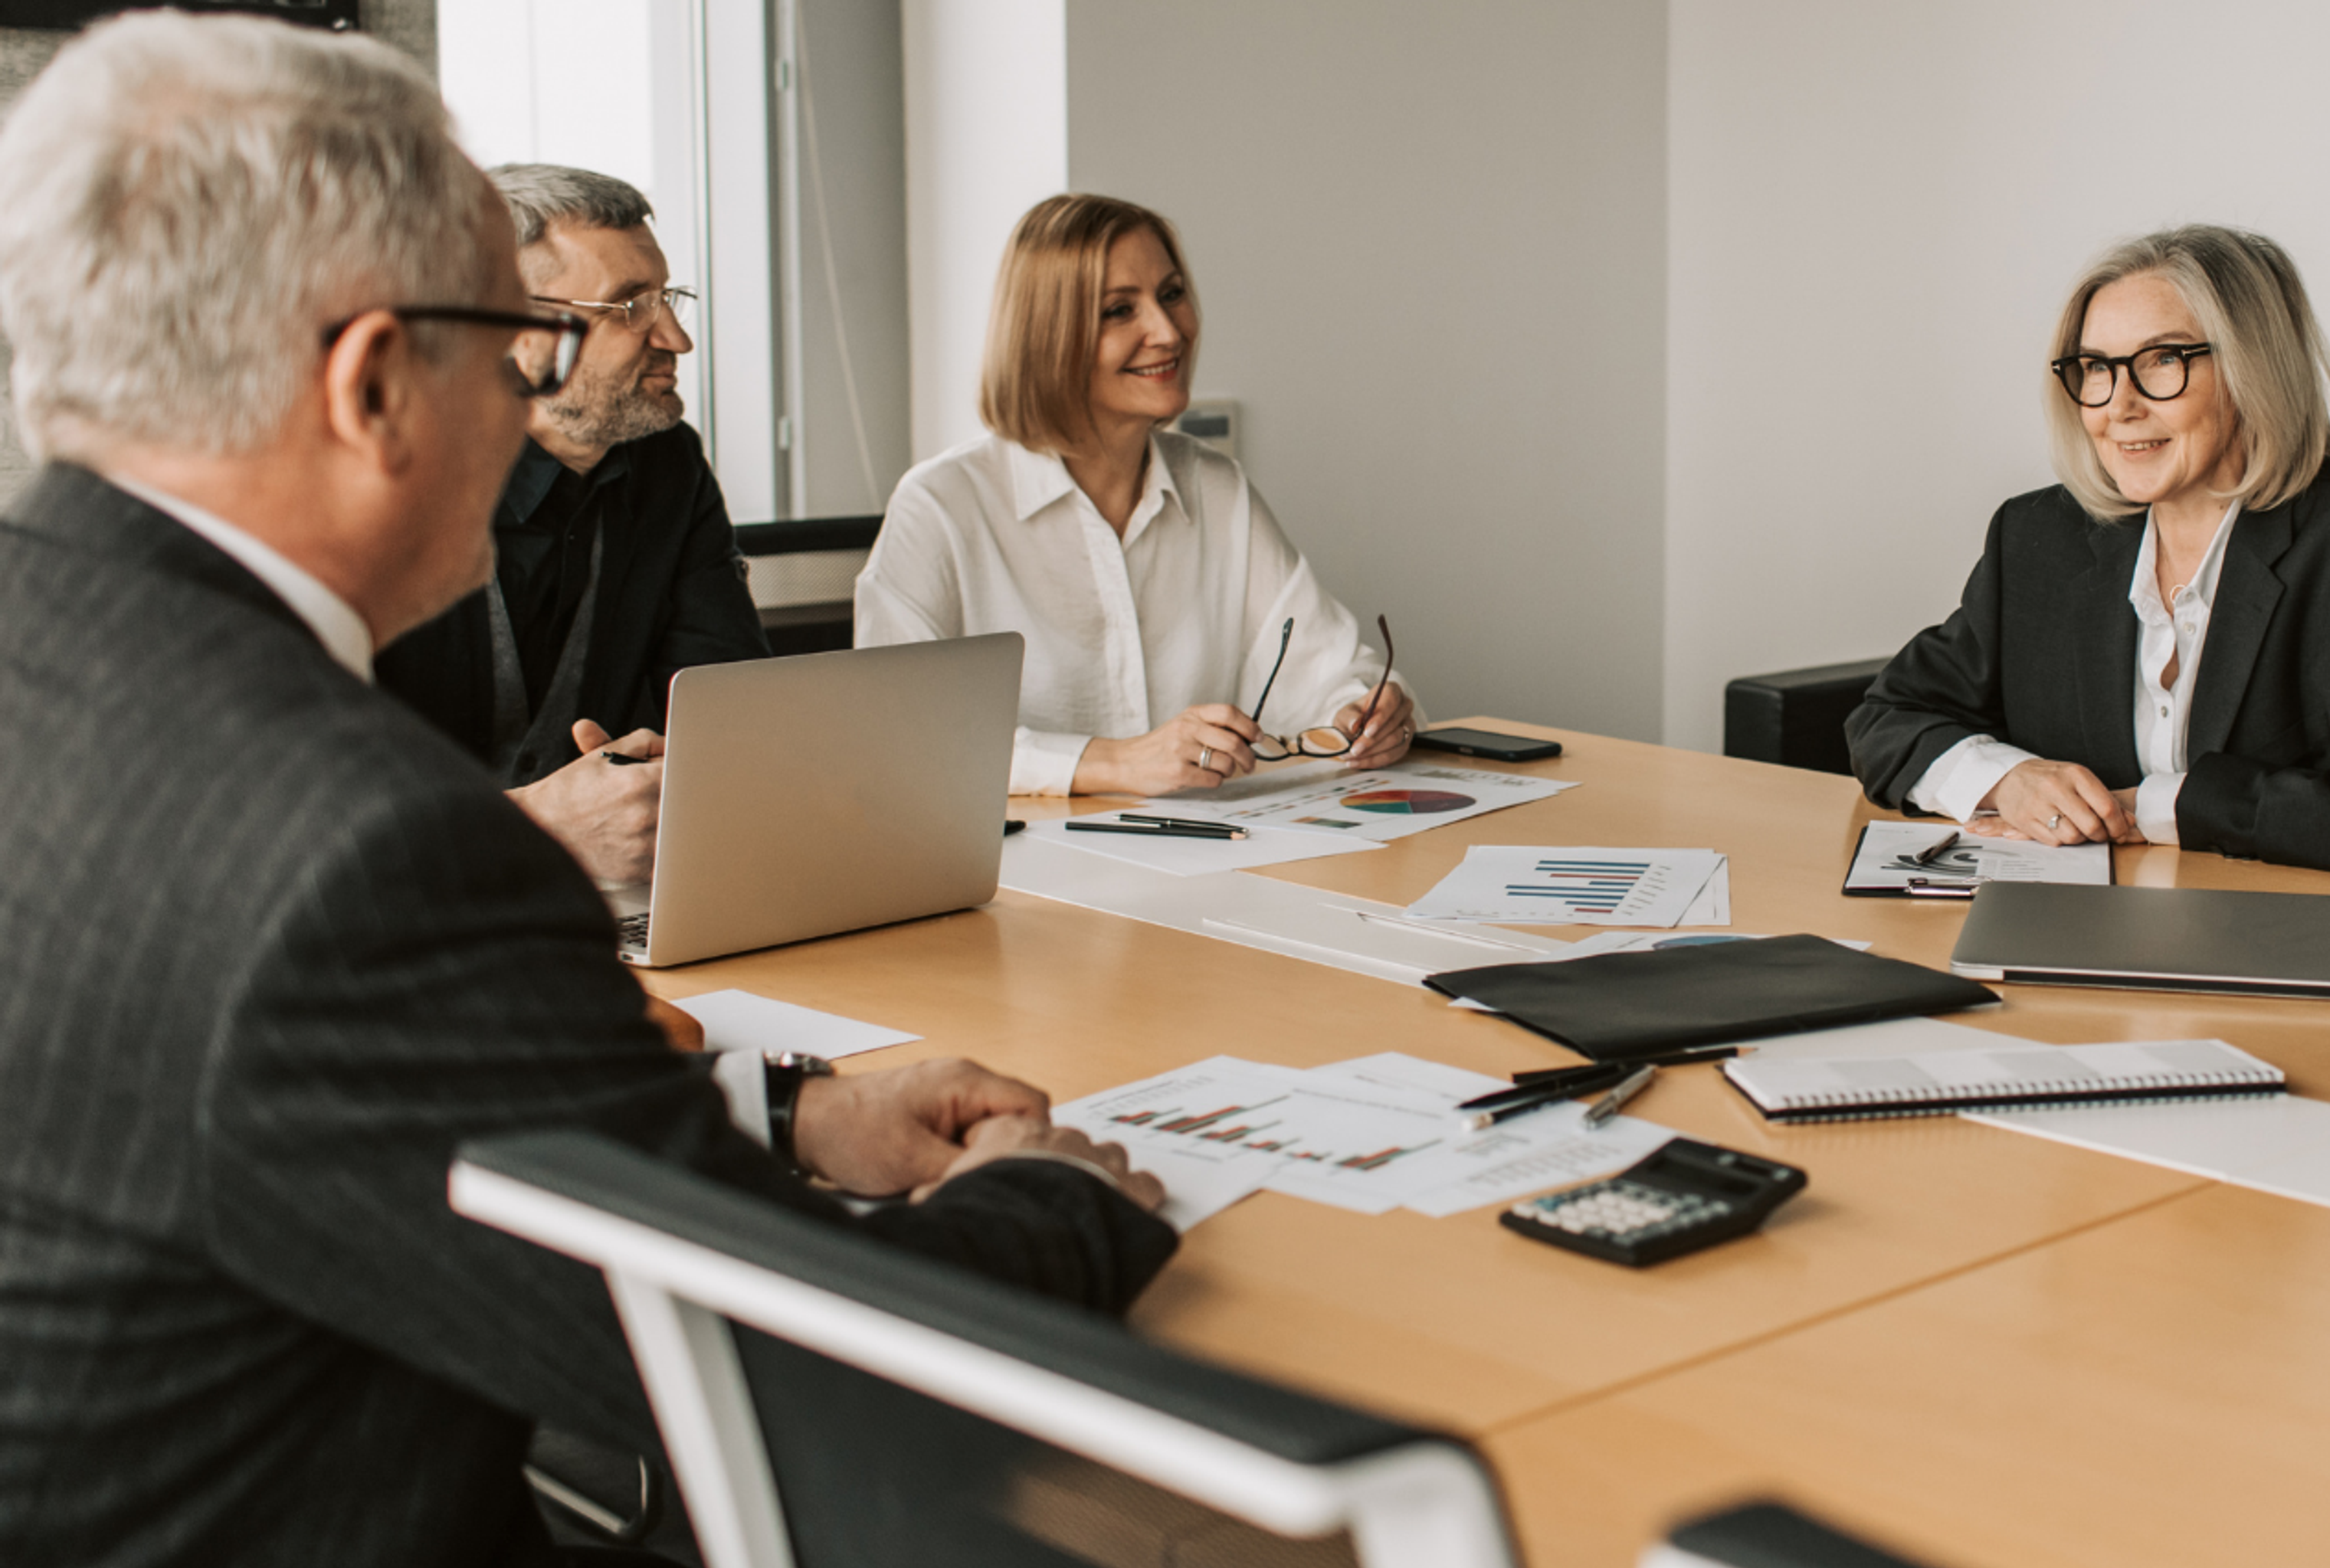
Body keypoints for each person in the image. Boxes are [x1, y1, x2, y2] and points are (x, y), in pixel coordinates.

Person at [0, 17, 1168, 1566]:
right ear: (370, 389)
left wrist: (789, 1108)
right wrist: (1054, 1197)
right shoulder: (365, 850)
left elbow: (327, 1114)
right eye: (516, 356)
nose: (528, 413)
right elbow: (798, 1363)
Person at [1847, 225, 2330, 877]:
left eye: (2162, 361)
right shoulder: (2038, 538)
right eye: (2096, 368)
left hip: (2273, 937)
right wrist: (2008, 780)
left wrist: (2156, 808)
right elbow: (1887, 717)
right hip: (2078, 931)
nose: (2118, 405)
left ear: (2250, 370)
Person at [855, 193, 1414, 797]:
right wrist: (1115, 763)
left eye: (1171, 294)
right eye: (1120, 310)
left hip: (1209, 863)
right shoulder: (940, 508)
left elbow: (1330, 669)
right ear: (1046, 335)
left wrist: (1365, 713)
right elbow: (894, 740)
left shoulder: (1219, 491)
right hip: (1013, 878)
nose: (1168, 332)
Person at [376, 162, 768, 885]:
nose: (677, 339)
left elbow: (732, 712)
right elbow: (315, 811)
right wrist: (541, 825)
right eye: (628, 309)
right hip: (408, 919)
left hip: (618, 905)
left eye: (666, 298)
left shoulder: (668, 468)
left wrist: (669, 776)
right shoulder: (379, 492)